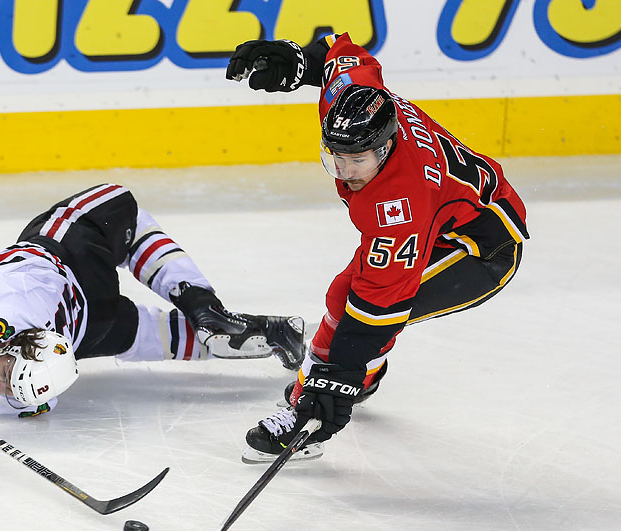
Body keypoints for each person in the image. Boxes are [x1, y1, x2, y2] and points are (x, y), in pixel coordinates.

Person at [226, 33, 529, 461]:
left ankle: (304, 417)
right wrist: (299, 63)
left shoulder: (398, 205)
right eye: (336, 157)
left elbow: (377, 308)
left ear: (386, 148)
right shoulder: (353, 103)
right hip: (446, 217)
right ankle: (355, 379)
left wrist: (335, 382)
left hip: (478, 252)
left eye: (358, 161)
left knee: (354, 313)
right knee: (342, 297)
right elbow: (340, 55)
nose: (346, 171)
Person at [0, 183, 305, 419]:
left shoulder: (11, 339)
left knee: (122, 214)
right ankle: (257, 327)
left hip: (78, 299)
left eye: (4, 378)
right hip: (81, 293)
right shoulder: (8, 341)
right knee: (185, 335)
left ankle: (214, 311)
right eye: (6, 379)